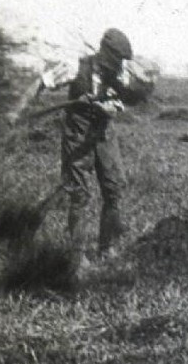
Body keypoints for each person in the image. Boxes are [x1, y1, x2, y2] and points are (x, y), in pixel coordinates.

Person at [8, 28, 143, 269]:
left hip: (104, 132)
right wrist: (17, 110)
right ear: (105, 53)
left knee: (114, 188)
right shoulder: (74, 67)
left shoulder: (119, 73)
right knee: (79, 194)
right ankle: (77, 256)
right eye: (117, 59)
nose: (120, 66)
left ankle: (106, 248)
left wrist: (113, 106)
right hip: (77, 132)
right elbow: (41, 82)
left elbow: (124, 98)